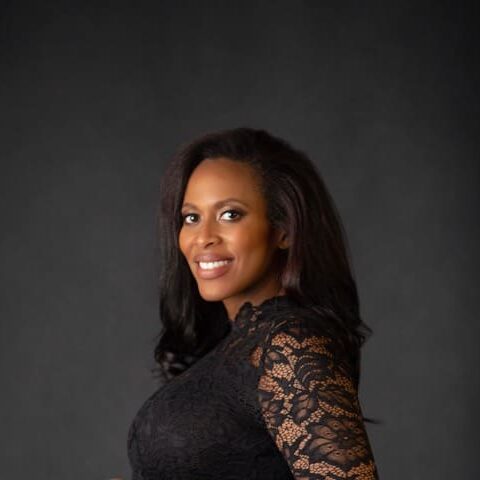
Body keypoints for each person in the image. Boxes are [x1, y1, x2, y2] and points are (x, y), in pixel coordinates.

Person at [127, 127, 379, 479]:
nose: (203, 238)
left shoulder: (289, 344)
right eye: (191, 217)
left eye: (230, 214)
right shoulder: (239, 342)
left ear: (283, 230)